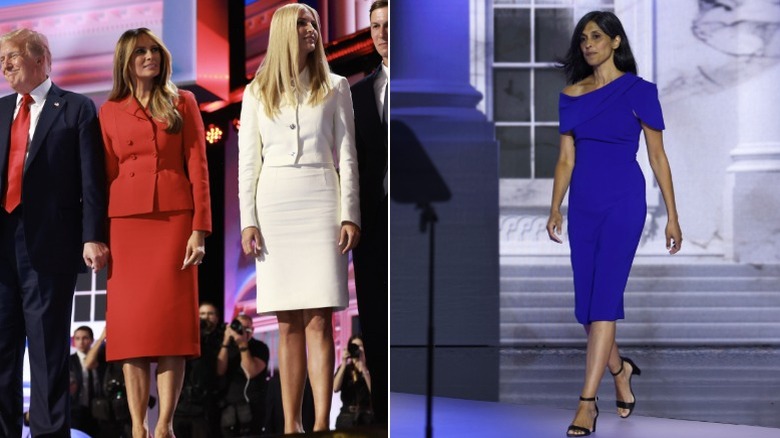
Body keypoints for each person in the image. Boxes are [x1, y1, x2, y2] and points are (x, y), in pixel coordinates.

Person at [546, 11, 682, 437]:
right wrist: (555, 208)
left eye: (597, 36)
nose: (588, 44)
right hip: (583, 207)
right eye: (583, 38)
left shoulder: (640, 92)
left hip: (624, 203)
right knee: (586, 310)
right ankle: (621, 370)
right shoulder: (570, 94)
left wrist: (673, 216)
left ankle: (587, 403)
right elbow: (566, 158)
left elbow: (658, 156)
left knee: (604, 300)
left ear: (616, 42)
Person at [237, 3, 360, 433]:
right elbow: (248, 163)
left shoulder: (336, 85)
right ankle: (291, 425)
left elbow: (347, 154)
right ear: (285, 32)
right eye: (303, 23)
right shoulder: (256, 92)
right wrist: (247, 220)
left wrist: (351, 214)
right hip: (274, 208)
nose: (311, 29)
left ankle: (322, 422)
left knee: (318, 319)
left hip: (322, 202)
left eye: (314, 22)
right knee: (287, 321)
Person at [99, 27, 212, 438]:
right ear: (126, 61)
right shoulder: (109, 110)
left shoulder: (184, 102)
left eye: (154, 50)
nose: (149, 56)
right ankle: (137, 427)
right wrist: (98, 235)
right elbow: (106, 174)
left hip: (174, 222)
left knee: (170, 328)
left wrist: (199, 229)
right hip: (126, 225)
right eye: (140, 51)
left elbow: (198, 167)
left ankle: (164, 425)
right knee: (132, 332)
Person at [0, 28, 109, 437]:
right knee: (2, 352)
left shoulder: (76, 108)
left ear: (40, 58)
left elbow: (90, 180)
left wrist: (92, 234)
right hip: (2, 245)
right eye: (2, 59)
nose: (5, 65)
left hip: (49, 245)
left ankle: (48, 434)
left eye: (11, 56)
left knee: (47, 352)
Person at [350, 0, 388, 425]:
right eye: (375, 26)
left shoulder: (421, 87)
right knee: (376, 322)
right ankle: (384, 417)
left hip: (416, 222)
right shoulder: (356, 92)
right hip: (373, 225)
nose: (381, 34)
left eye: (389, 25)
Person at [174, 302, 225, 438]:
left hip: (207, 407)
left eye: (210, 314)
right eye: (202, 314)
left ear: (217, 317)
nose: (205, 318)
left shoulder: (222, 340)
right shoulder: (187, 339)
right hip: (182, 406)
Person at [216, 314, 269, 437]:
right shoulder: (226, 347)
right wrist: (225, 342)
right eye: (239, 327)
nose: (242, 331)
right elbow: (219, 371)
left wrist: (243, 344)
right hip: (228, 407)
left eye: (246, 328)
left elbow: (251, 372)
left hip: (252, 407)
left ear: (252, 330)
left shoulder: (260, 347)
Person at [69, 326, 104, 436]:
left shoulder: (100, 360)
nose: (81, 342)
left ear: (91, 340)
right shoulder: (69, 361)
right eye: (77, 338)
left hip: (98, 413)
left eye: (85, 338)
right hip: (76, 412)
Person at [333, 335, 373, 429]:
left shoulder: (368, 370)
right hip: (346, 415)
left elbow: (373, 391)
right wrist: (343, 363)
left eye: (360, 346)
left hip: (366, 415)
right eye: (354, 346)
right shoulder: (345, 369)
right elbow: (335, 388)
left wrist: (363, 367)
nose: (356, 349)